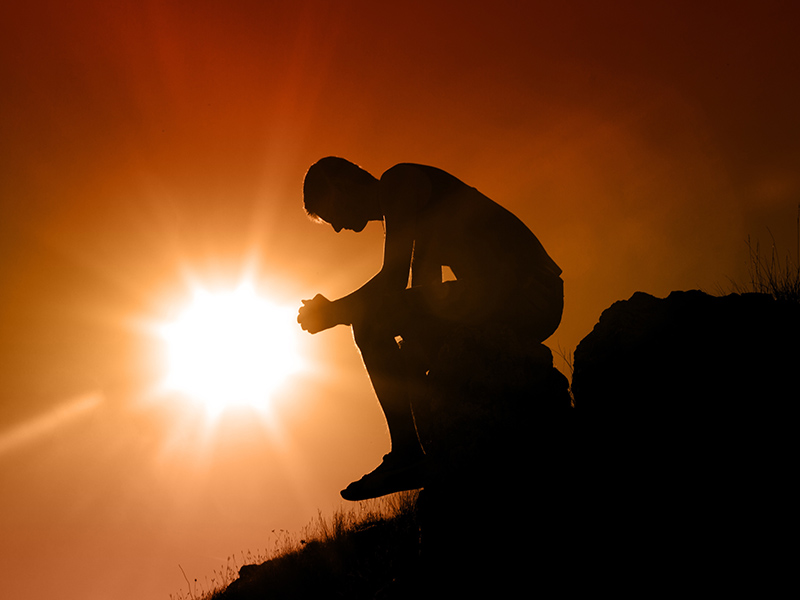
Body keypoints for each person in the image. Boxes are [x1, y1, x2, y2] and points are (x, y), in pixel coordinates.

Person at [297, 157, 563, 500]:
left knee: (370, 324)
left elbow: (392, 284)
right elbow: (423, 295)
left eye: (328, 212)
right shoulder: (414, 211)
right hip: (523, 301)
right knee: (405, 361)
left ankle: (407, 454)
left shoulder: (399, 181)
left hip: (530, 291)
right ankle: (436, 456)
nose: (335, 228)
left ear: (341, 185)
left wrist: (335, 311)